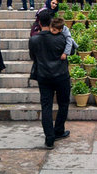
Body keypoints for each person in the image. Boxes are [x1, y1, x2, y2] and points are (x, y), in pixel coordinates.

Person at [29, 10, 71, 149]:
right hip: (61, 76)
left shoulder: (34, 39)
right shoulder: (61, 38)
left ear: (39, 23)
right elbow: (71, 51)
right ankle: (58, 130)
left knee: (46, 107)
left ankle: (49, 138)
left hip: (44, 76)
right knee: (63, 103)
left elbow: (33, 57)